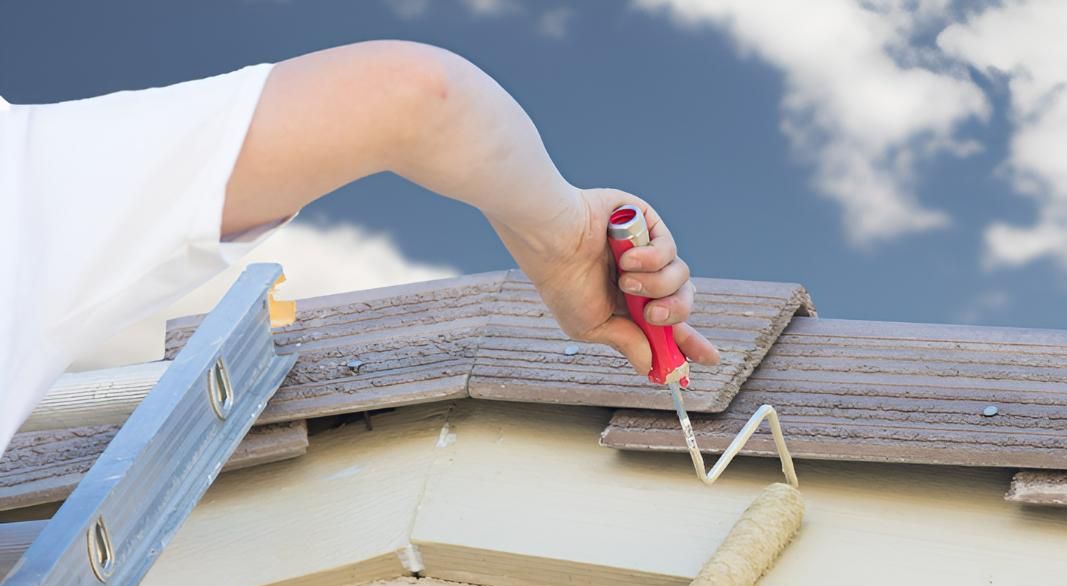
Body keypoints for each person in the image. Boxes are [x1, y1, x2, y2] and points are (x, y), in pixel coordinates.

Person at [0, 41, 719, 457]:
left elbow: (413, 97)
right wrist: (560, 232)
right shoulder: (28, 180)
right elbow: (413, 95)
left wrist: (561, 239)